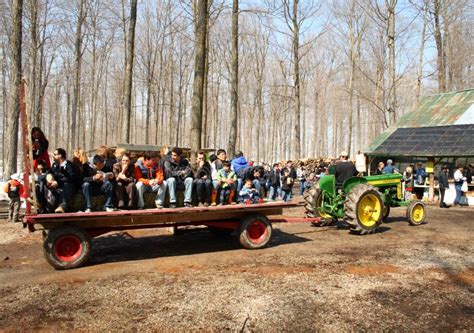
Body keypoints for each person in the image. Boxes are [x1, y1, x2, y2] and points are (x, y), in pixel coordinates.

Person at [40, 148, 81, 213]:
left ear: (60, 155)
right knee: (42, 179)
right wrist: (49, 176)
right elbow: (50, 172)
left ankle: (62, 206)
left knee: (67, 184)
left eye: (55, 154)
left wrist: (58, 182)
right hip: (57, 185)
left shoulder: (69, 165)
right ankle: (40, 202)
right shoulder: (55, 165)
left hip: (68, 186)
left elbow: (71, 178)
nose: (53, 156)